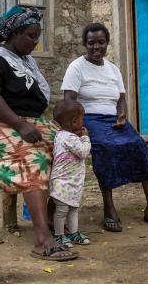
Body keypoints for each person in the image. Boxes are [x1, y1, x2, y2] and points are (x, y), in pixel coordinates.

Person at [62, 22, 148, 232]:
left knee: (138, 145)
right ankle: (109, 208)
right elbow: (69, 100)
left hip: (113, 119)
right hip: (89, 119)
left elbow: (121, 99)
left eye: (101, 42)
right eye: (91, 43)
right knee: (105, 148)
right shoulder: (76, 67)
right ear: (84, 44)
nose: (96, 47)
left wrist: (122, 115)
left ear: (107, 43)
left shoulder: (113, 69)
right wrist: (78, 125)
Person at [0, 5, 78, 262]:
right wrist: (20, 125)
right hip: (5, 126)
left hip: (35, 123)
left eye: (38, 36)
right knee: (33, 160)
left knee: (69, 152)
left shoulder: (27, 60)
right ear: (14, 34)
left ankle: (51, 218)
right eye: (30, 36)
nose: (35, 42)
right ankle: (41, 239)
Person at [49, 100, 92, 247]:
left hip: (69, 182)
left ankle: (73, 233)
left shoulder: (62, 135)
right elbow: (83, 151)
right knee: (62, 210)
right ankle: (59, 236)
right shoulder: (70, 138)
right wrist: (86, 137)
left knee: (73, 208)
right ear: (74, 121)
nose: (83, 122)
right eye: (82, 119)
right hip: (64, 182)